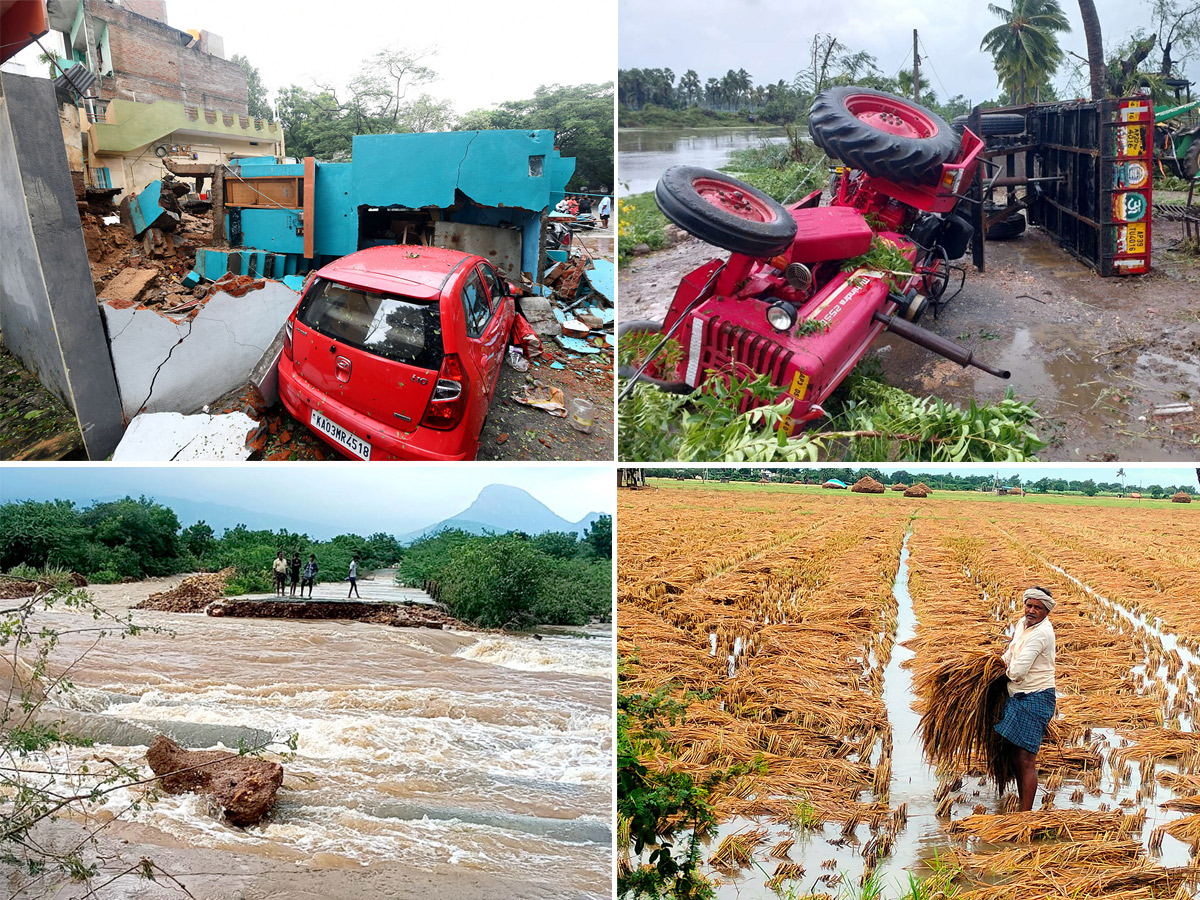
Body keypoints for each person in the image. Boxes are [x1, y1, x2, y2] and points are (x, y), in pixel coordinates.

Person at [995, 586, 1057, 812]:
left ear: (1046, 611)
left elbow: (1018, 671)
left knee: (1025, 758)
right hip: (1018, 696)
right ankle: (1023, 804)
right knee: (1014, 754)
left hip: (1037, 698)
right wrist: (993, 666)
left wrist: (1000, 677)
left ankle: (1025, 815)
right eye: (1028, 605)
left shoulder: (1042, 634)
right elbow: (1011, 654)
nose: (1031, 610)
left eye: (1037, 607)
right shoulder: (1022, 625)